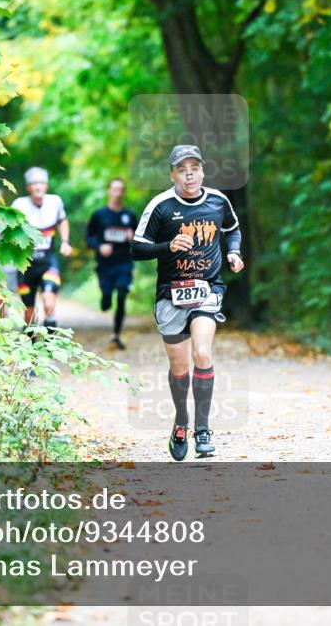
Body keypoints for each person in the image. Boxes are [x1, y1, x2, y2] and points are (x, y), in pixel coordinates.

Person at [131, 145, 244, 460]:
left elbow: (233, 230)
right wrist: (168, 246)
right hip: (171, 294)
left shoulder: (218, 201)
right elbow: (137, 249)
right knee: (179, 366)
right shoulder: (161, 206)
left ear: (203, 171)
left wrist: (234, 253)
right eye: (182, 169)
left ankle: (203, 431)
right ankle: (181, 420)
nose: (189, 173)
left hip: (208, 289)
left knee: (202, 352)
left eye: (194, 167)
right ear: (173, 174)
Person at [11, 167, 73, 329]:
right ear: (28, 187)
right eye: (34, 183)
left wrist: (65, 242)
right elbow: (10, 230)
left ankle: (50, 342)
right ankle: (32, 346)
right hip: (26, 265)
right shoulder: (19, 204)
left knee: (48, 298)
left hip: (48, 262)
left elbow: (63, 220)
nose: (38, 186)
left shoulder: (55, 202)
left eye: (41, 183)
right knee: (29, 311)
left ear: (46, 186)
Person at [86, 178, 138, 349]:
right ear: (109, 191)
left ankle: (116, 334)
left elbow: (141, 240)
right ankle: (105, 297)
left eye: (121, 190)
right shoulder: (99, 215)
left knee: (122, 293)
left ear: (123, 193)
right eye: (114, 189)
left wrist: (133, 238)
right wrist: (99, 246)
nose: (117, 193)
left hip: (124, 262)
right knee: (107, 300)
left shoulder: (129, 216)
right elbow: (88, 237)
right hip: (105, 264)